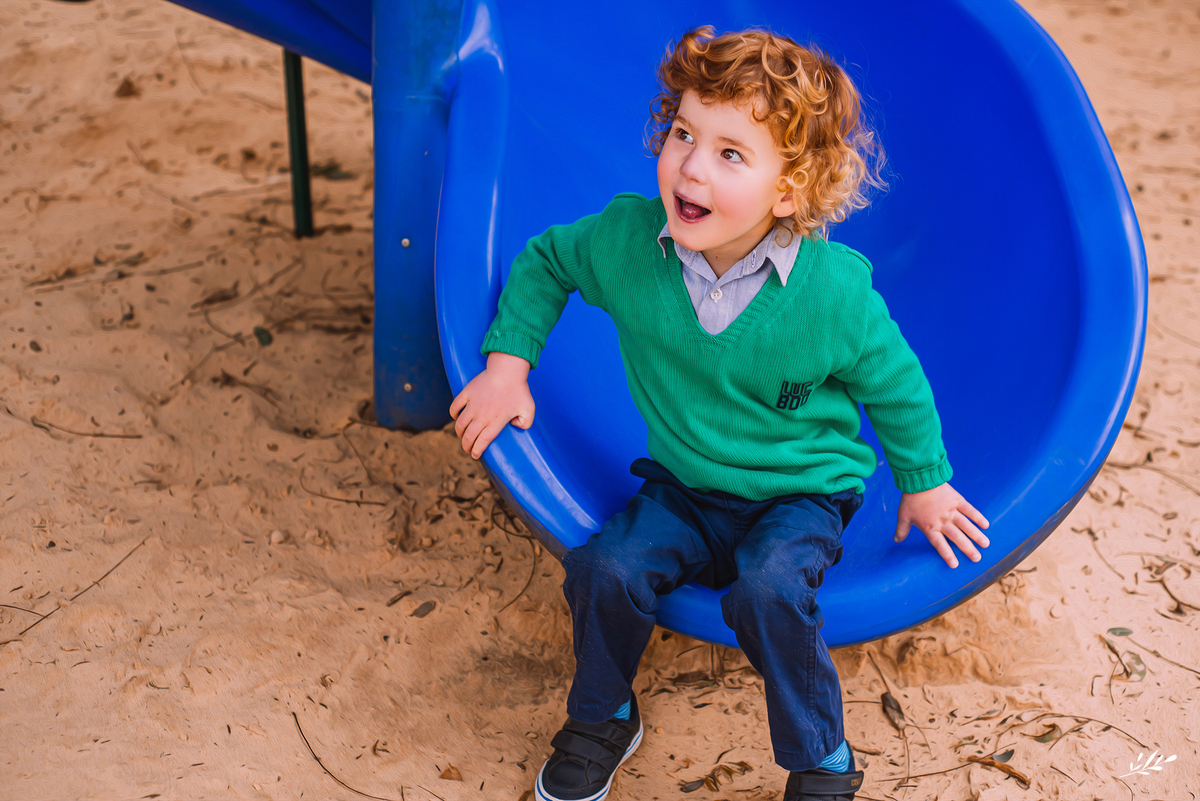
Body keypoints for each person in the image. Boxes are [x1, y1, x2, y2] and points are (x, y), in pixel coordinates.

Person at [448, 26, 990, 801]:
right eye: (682, 134)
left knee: (769, 587)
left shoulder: (832, 293)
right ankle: (604, 715)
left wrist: (925, 482)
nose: (692, 166)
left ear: (788, 190)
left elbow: (896, 384)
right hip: (685, 485)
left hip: (798, 491)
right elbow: (546, 261)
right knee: (605, 567)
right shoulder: (630, 241)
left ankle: (821, 758)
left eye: (731, 153)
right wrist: (508, 367)